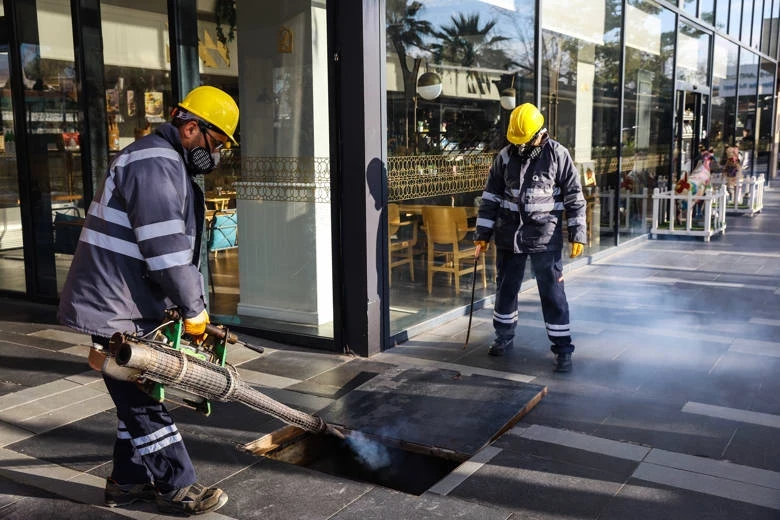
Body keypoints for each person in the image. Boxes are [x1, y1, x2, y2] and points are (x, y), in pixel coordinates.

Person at [58, 85, 239, 515]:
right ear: (192, 128)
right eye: (216, 145)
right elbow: (166, 249)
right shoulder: (156, 162)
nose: (215, 157)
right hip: (113, 303)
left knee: (134, 394)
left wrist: (177, 305)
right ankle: (178, 486)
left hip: (124, 299)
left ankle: (126, 482)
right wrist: (194, 310)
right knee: (141, 400)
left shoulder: (163, 160)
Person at [474, 103, 586, 372]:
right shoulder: (504, 157)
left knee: (552, 294)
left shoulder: (558, 154)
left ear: (539, 134)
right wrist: (483, 234)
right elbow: (491, 198)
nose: (520, 147)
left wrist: (577, 234)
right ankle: (503, 337)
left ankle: (562, 349)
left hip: (544, 238)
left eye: (525, 141)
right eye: (516, 142)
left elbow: (574, 197)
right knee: (505, 289)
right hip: (509, 237)